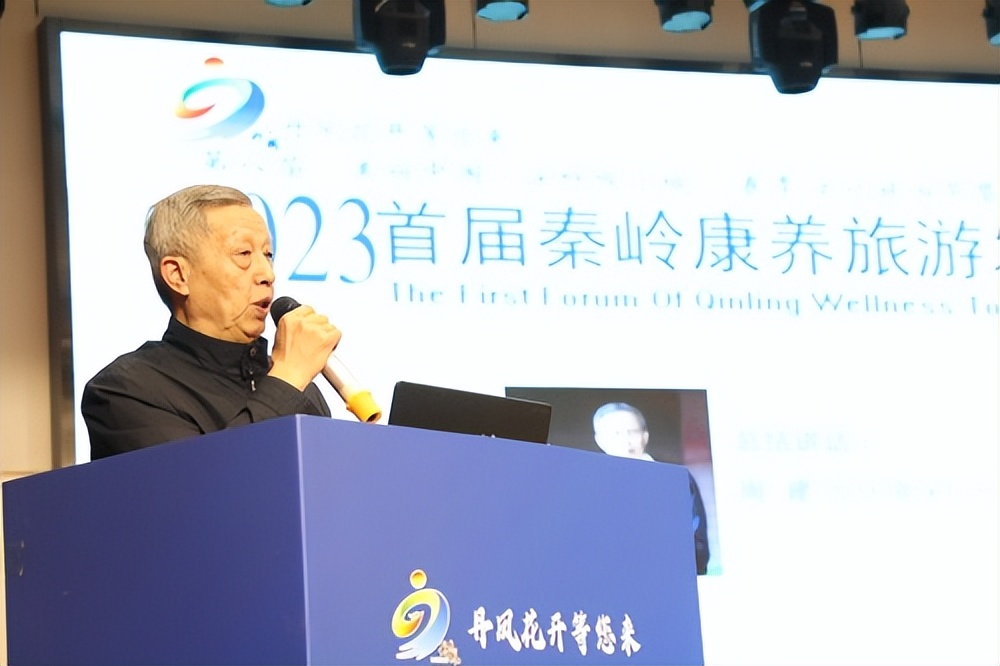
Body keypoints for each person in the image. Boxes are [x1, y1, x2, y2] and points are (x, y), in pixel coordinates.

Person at [82, 184, 340, 460]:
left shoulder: (301, 389)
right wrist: (287, 379)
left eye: (268, 255)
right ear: (178, 275)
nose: (267, 274)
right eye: (243, 254)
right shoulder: (126, 390)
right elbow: (206, 482)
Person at [592, 401, 711, 574]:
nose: (625, 440)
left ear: (645, 436)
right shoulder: (591, 487)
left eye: (632, 432)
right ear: (600, 440)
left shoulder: (675, 480)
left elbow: (697, 546)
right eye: (616, 433)